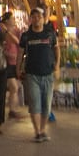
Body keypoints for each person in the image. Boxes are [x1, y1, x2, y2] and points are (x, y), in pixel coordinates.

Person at [19, 9, 60, 142]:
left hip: (48, 73)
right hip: (32, 74)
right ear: (30, 19)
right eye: (34, 17)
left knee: (46, 105)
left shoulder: (50, 34)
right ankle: (37, 131)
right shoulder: (26, 36)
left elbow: (56, 48)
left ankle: (42, 130)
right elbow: (20, 53)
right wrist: (18, 68)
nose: (36, 19)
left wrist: (57, 65)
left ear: (43, 19)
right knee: (35, 103)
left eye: (39, 17)